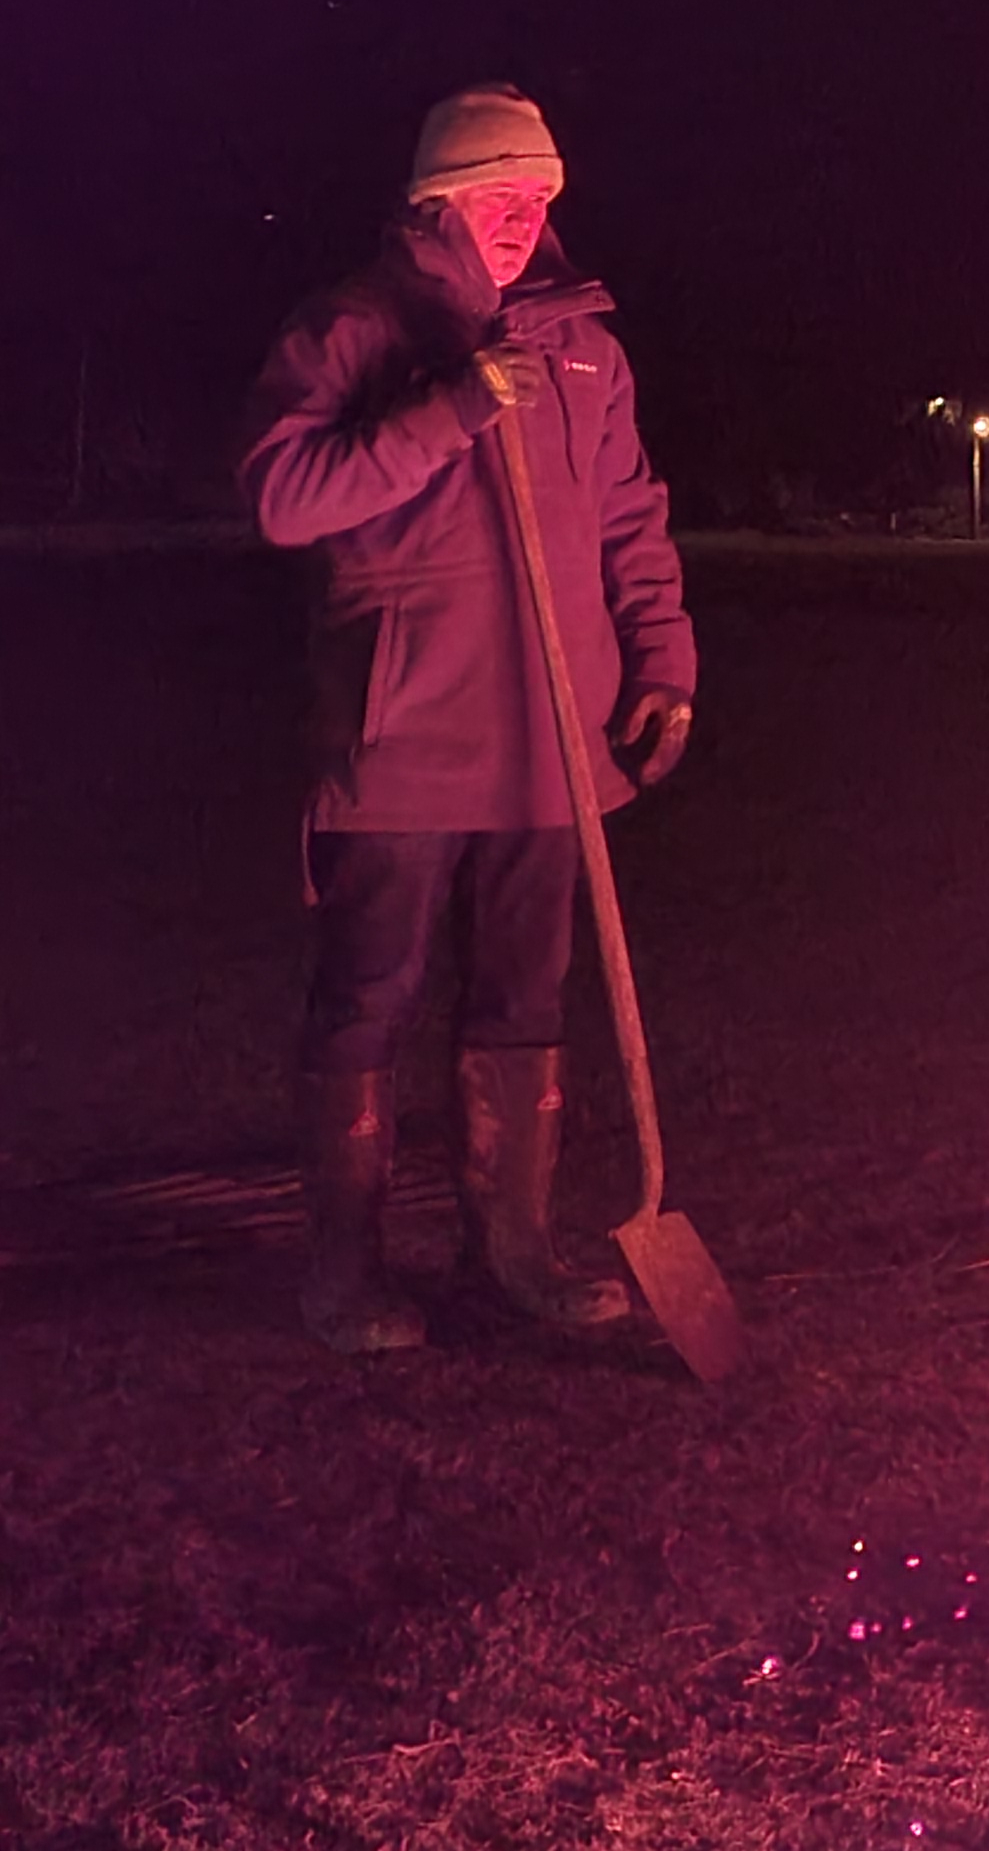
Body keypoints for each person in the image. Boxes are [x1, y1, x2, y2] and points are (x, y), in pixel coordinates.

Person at [240, 85, 697, 1355]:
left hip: (550, 737)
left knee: (522, 998)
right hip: (403, 738)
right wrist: (450, 407)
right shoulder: (354, 327)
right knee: (368, 996)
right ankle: (345, 1273)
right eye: (500, 194)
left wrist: (662, 657)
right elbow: (285, 496)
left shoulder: (585, 347)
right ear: (436, 201)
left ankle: (515, 1255)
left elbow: (629, 515)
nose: (523, 217)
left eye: (540, 196)